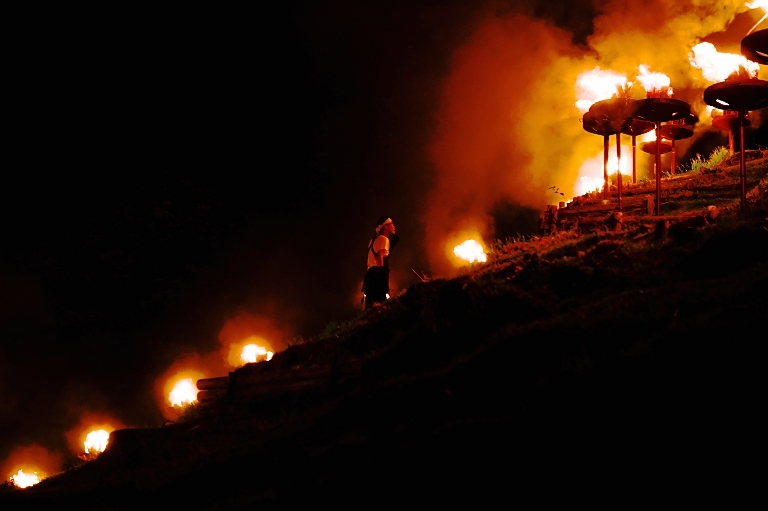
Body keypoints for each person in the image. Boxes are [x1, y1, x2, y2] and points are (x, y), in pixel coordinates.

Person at [363, 216, 398, 309]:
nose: (394, 226)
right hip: (376, 277)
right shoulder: (384, 239)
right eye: (392, 224)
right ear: (385, 226)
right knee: (380, 306)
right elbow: (380, 257)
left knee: (371, 308)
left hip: (369, 277)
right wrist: (383, 278)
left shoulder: (373, 239)